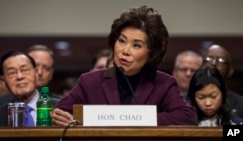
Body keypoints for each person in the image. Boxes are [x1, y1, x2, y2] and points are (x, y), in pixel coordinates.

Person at [51, 5, 197, 126]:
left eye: (136, 45)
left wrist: (140, 119)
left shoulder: (163, 83)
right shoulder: (90, 82)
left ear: (151, 53)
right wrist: (64, 118)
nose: (125, 51)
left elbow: (187, 117)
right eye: (121, 41)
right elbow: (60, 112)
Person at [0, 51, 38, 126]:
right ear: (4, 81)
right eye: (12, 73)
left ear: (36, 73)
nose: (19, 76)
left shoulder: (60, 109)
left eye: (25, 70)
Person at [202, 44, 243, 118]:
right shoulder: (183, 101)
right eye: (208, 59)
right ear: (200, 67)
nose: (213, 63)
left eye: (221, 60)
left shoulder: (240, 103)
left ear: (230, 71)